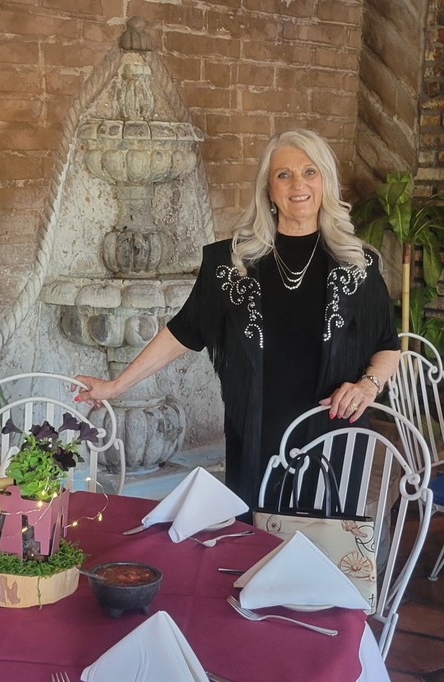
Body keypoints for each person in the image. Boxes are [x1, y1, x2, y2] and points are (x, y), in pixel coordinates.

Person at [74, 129, 400, 510]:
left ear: (325, 180)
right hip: (257, 440)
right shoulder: (231, 265)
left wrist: (367, 387)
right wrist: (115, 386)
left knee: (324, 542)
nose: (298, 184)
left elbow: (388, 347)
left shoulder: (357, 265)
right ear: (268, 189)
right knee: (254, 540)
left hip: (334, 439)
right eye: (284, 175)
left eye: (310, 172)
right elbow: (183, 332)